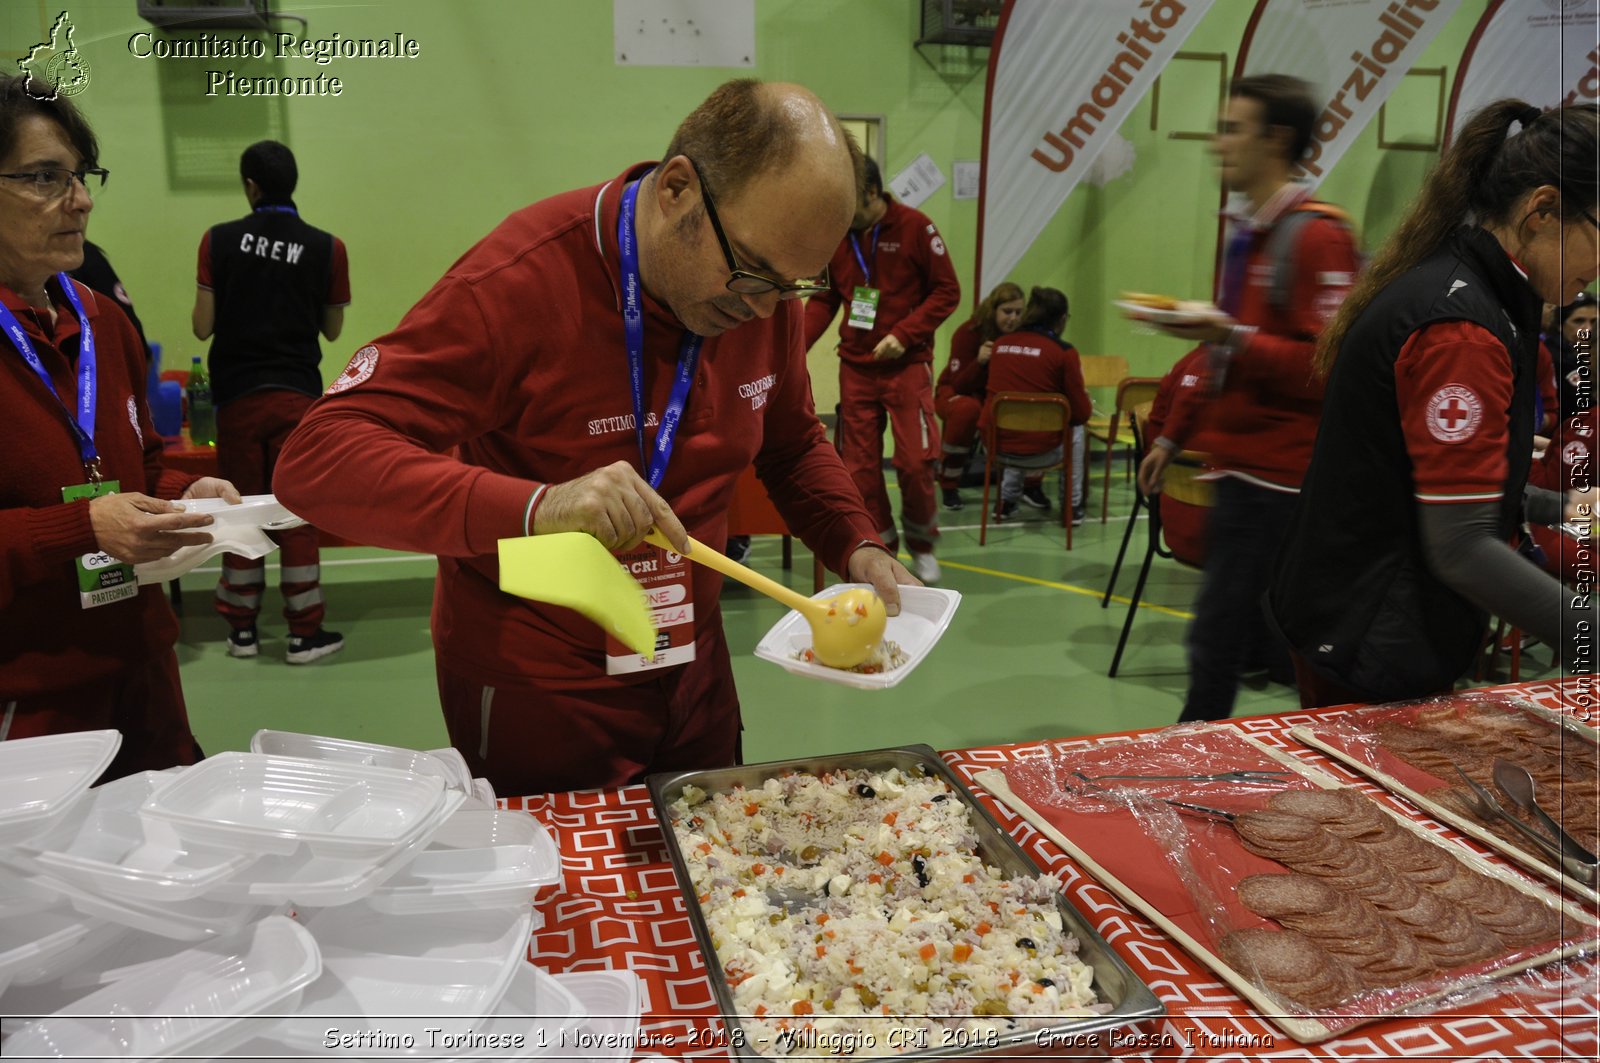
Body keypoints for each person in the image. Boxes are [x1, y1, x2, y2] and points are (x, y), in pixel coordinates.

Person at [275, 80, 912, 796]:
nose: (765, 308)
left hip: (691, 657)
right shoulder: (520, 281)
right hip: (543, 677)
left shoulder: (765, 298)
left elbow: (791, 443)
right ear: (677, 191)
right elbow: (319, 455)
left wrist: (856, 541)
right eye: (752, 274)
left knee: (708, 881)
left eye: (794, 286)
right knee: (567, 893)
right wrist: (539, 507)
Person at [1267, 101, 1600, 707]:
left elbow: (1434, 480)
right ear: (1543, 209)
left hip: (1364, 614)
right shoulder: (1462, 327)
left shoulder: (1471, 288)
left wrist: (1566, 506)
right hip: (1370, 634)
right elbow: (1462, 546)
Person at [0, 73, 239, 777]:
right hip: (31, 699)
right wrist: (84, 528)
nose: (80, 200)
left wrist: (182, 499)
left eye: (79, 175)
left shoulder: (102, 321)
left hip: (144, 671)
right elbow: (90, 514)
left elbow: (143, 462)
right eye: (46, 177)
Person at [1136, 74, 1360, 722]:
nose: (1217, 144)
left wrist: (1230, 332)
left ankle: (1189, 765)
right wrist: (1174, 437)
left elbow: (1328, 366)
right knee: (1226, 640)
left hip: (1281, 482)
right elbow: (1222, 356)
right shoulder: (1247, 234)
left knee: (1222, 643)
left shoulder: (1316, 236)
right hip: (1238, 472)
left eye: (1233, 129)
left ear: (1277, 139)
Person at [193, 140, 350, 665]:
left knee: (237, 512)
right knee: (296, 510)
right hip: (297, 398)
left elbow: (202, 326)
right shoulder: (329, 247)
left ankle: (241, 631)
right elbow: (331, 330)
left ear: (250, 187)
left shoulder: (218, 241)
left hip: (237, 397)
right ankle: (306, 633)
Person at [802, 158, 961, 584]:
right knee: (858, 469)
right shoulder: (837, 236)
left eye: (847, 198)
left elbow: (948, 291)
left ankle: (922, 544)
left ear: (871, 192)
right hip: (855, 367)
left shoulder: (915, 228)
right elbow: (825, 298)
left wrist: (906, 334)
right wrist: (793, 348)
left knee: (913, 462)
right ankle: (882, 547)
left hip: (906, 367)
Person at [982, 286, 1091, 520]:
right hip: (1044, 453)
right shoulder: (1064, 353)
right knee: (1077, 428)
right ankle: (1072, 507)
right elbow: (1082, 413)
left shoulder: (1000, 345)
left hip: (995, 447)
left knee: (1012, 421)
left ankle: (1006, 501)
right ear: (1062, 319)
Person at [935, 281, 1023, 512]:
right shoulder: (969, 332)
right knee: (967, 410)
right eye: (1007, 312)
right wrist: (980, 362)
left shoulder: (1022, 336)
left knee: (1026, 409)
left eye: (1018, 312)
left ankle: (1028, 485)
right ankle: (949, 482)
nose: (1012, 318)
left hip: (993, 395)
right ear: (993, 309)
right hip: (956, 391)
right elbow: (959, 383)